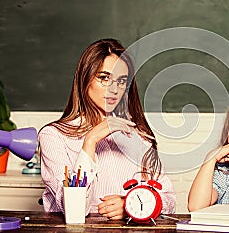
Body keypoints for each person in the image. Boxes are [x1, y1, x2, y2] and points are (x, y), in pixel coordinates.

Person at [39, 38, 176, 219]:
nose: (114, 89)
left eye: (121, 81)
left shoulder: (139, 136)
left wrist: (131, 205)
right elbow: (74, 210)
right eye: (104, 78)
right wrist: (90, 141)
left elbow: (169, 200)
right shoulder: (53, 136)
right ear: (85, 79)